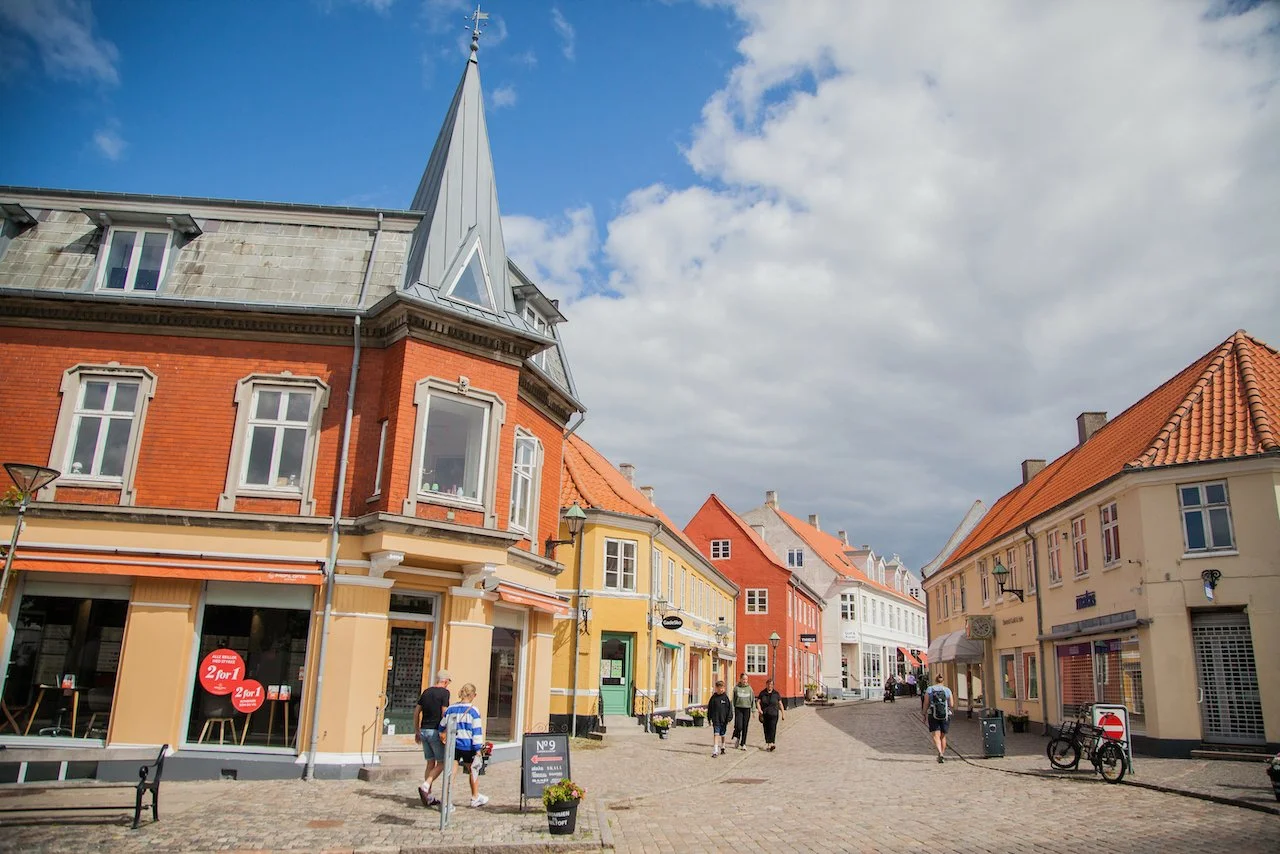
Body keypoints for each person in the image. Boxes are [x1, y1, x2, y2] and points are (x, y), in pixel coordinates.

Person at [439, 682, 489, 807]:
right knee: (473, 770)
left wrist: (442, 735)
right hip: (468, 745)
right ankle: (475, 796)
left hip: (453, 745)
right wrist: (478, 749)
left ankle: (446, 799)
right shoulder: (473, 711)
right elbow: (476, 730)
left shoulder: (451, 709)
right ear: (473, 695)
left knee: (451, 772)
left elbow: (442, 725)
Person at [414, 669, 451, 806]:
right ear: (445, 681)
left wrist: (417, 730)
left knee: (430, 762)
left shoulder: (426, 692)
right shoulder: (445, 693)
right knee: (442, 763)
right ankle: (425, 785)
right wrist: (445, 731)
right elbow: (444, 713)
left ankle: (428, 795)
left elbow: (417, 711)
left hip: (424, 730)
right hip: (435, 731)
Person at [924, 674, 954, 763]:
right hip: (945, 715)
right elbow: (951, 704)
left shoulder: (930, 690)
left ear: (935, 680)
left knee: (936, 735)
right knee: (943, 736)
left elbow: (926, 703)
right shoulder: (947, 690)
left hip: (933, 715)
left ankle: (940, 752)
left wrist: (924, 714)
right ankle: (942, 754)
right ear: (943, 681)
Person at [756, 679, 785, 751]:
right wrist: (759, 710)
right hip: (765, 714)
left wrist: (783, 714)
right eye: (768, 684)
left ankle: (772, 743)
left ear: (773, 685)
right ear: (766, 685)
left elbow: (780, 704)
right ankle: (768, 743)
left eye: (771, 684)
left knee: (773, 728)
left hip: (774, 714)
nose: (770, 686)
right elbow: (758, 702)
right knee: (766, 729)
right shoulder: (762, 693)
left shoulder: (776, 694)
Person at [707, 680, 733, 757]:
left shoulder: (726, 698)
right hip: (716, 719)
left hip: (724, 719)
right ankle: (715, 750)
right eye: (719, 688)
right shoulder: (713, 698)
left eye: (722, 688)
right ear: (716, 688)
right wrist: (709, 718)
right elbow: (710, 709)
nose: (720, 689)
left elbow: (729, 709)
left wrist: (729, 718)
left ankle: (723, 746)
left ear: (724, 688)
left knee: (723, 734)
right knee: (716, 734)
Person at [730, 673, 754, 750]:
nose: (745, 681)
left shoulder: (749, 689)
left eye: (746, 679)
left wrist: (753, 710)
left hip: (747, 709)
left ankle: (743, 743)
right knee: (739, 726)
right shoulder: (736, 688)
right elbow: (733, 699)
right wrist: (732, 709)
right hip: (738, 708)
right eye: (743, 679)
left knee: (745, 726)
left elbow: (752, 699)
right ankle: (737, 737)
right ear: (740, 679)